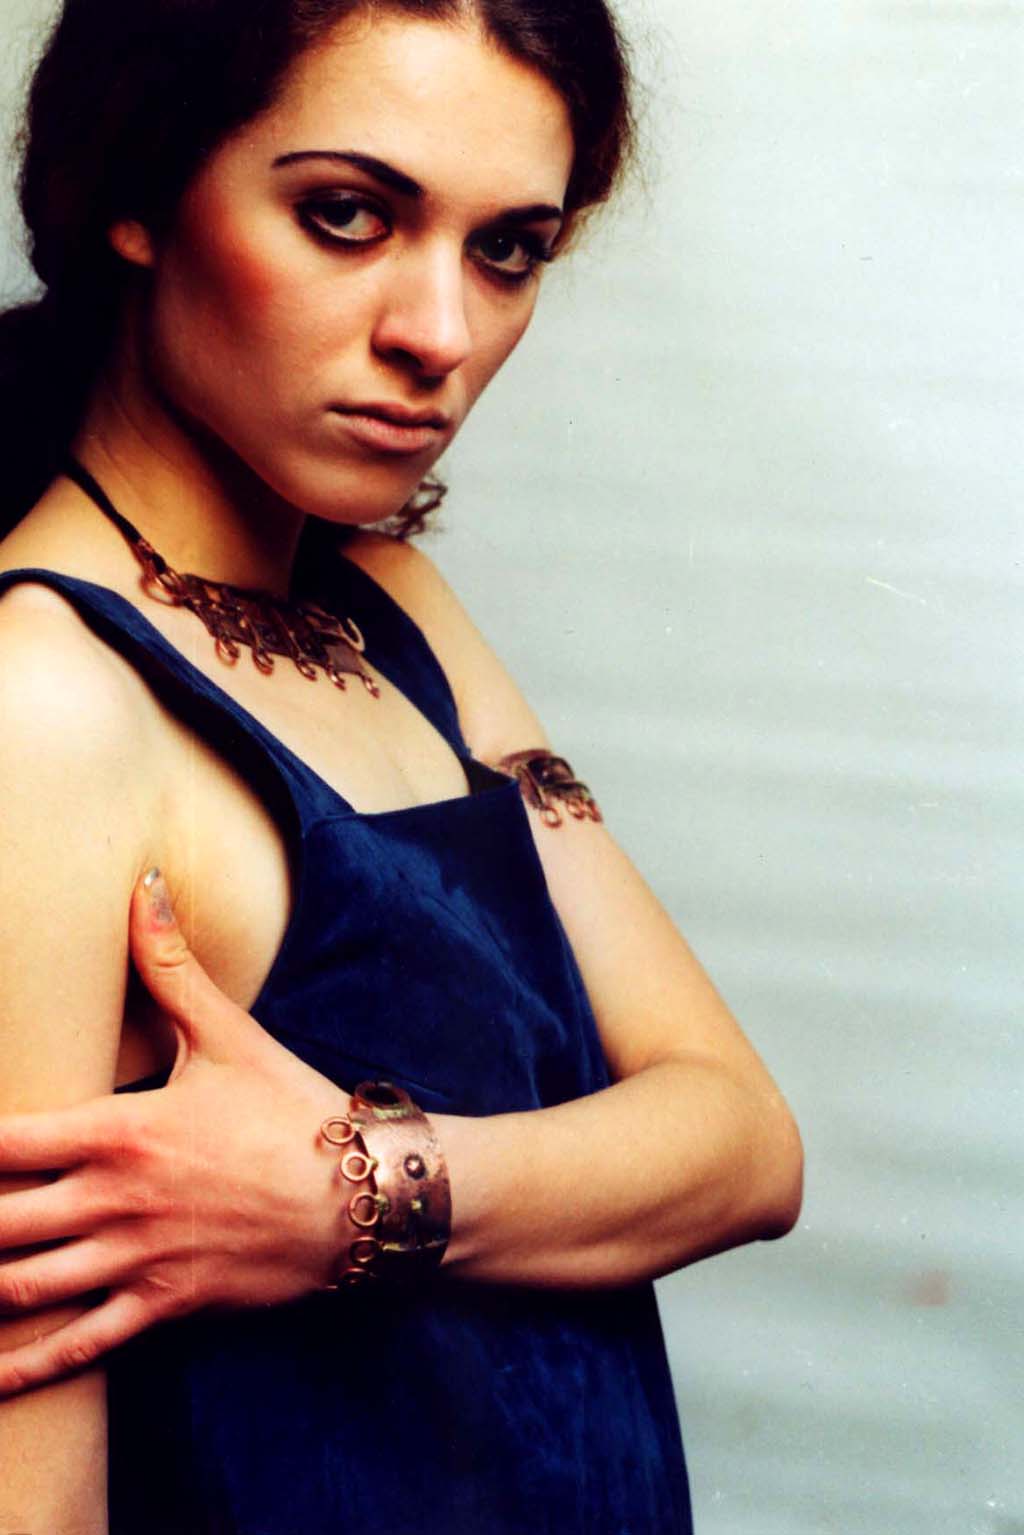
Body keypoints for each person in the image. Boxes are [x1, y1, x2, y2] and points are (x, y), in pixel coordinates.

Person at [0, 0, 804, 1530]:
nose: (438, 333)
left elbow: (744, 1144)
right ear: (136, 189)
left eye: (507, 249)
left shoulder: (395, 611)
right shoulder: (44, 703)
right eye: (347, 215)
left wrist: (344, 1193)